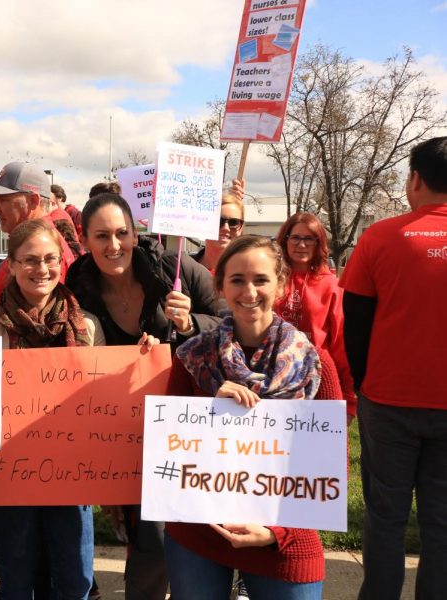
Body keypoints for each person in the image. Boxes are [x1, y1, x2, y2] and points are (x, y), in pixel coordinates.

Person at [64, 192, 221, 600]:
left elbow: (228, 321)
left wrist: (188, 325)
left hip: (184, 421)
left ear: (136, 234)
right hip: (120, 428)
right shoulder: (77, 287)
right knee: (144, 533)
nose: (113, 245)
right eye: (102, 236)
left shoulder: (176, 268)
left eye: (122, 233)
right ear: (85, 240)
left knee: (166, 532)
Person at [165, 235, 329, 599]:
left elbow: (326, 469)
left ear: (281, 284)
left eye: (261, 280)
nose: (249, 291)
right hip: (200, 526)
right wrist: (211, 412)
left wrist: (277, 531)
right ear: (220, 285)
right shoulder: (193, 359)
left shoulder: (313, 363)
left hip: (283, 534)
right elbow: (171, 453)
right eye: (237, 279)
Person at [0, 219, 104, 599]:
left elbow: (102, 398)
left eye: (49, 259)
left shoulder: (86, 327)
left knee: (76, 574)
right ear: (9, 265)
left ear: (62, 262)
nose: (40, 269)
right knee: (17, 574)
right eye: (29, 260)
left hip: (72, 474)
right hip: (9, 473)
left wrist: (141, 355)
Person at [341, 136, 447, 599]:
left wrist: (366, 383)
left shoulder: (380, 237)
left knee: (385, 517)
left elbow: (356, 324)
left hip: (387, 401)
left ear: (415, 179)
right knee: (442, 520)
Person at [0, 162, 75, 318]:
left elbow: (41, 318)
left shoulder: (44, 245)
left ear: (33, 201)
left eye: (3, 200)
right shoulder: (29, 242)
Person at [274, 212, 356, 416]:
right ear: (285, 240)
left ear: (318, 243)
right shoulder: (269, 279)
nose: (301, 244)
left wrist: (348, 397)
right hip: (272, 375)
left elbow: (340, 343)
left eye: (308, 238)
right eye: (295, 237)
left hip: (316, 377)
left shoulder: (331, 285)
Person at [193, 180, 246, 273]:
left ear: (241, 228)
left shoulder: (245, 273)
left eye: (233, 222)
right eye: (218, 221)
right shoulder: (181, 271)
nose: (226, 228)